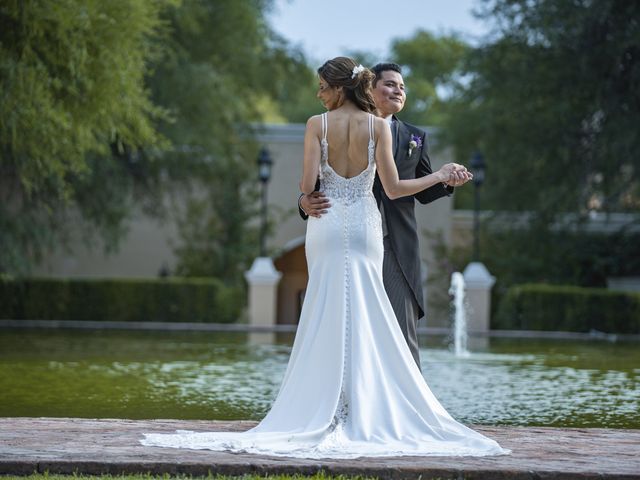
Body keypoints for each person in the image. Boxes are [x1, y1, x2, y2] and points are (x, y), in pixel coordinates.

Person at [141, 57, 507, 458]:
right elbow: (395, 188)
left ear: (338, 88)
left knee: (324, 309)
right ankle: (368, 405)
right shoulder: (378, 127)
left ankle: (323, 406)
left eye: (322, 87)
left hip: (328, 224)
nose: (318, 94)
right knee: (368, 311)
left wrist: (307, 193)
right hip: (367, 230)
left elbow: (306, 185)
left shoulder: (317, 124)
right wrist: (438, 175)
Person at [299, 62, 471, 368]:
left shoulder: (415, 137)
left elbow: (421, 189)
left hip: (393, 244)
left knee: (401, 330)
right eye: (390, 84)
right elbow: (312, 187)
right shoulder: (346, 125)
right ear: (369, 88)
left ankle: (408, 406)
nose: (398, 91)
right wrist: (303, 202)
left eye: (402, 87)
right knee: (342, 321)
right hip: (347, 233)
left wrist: (445, 181)